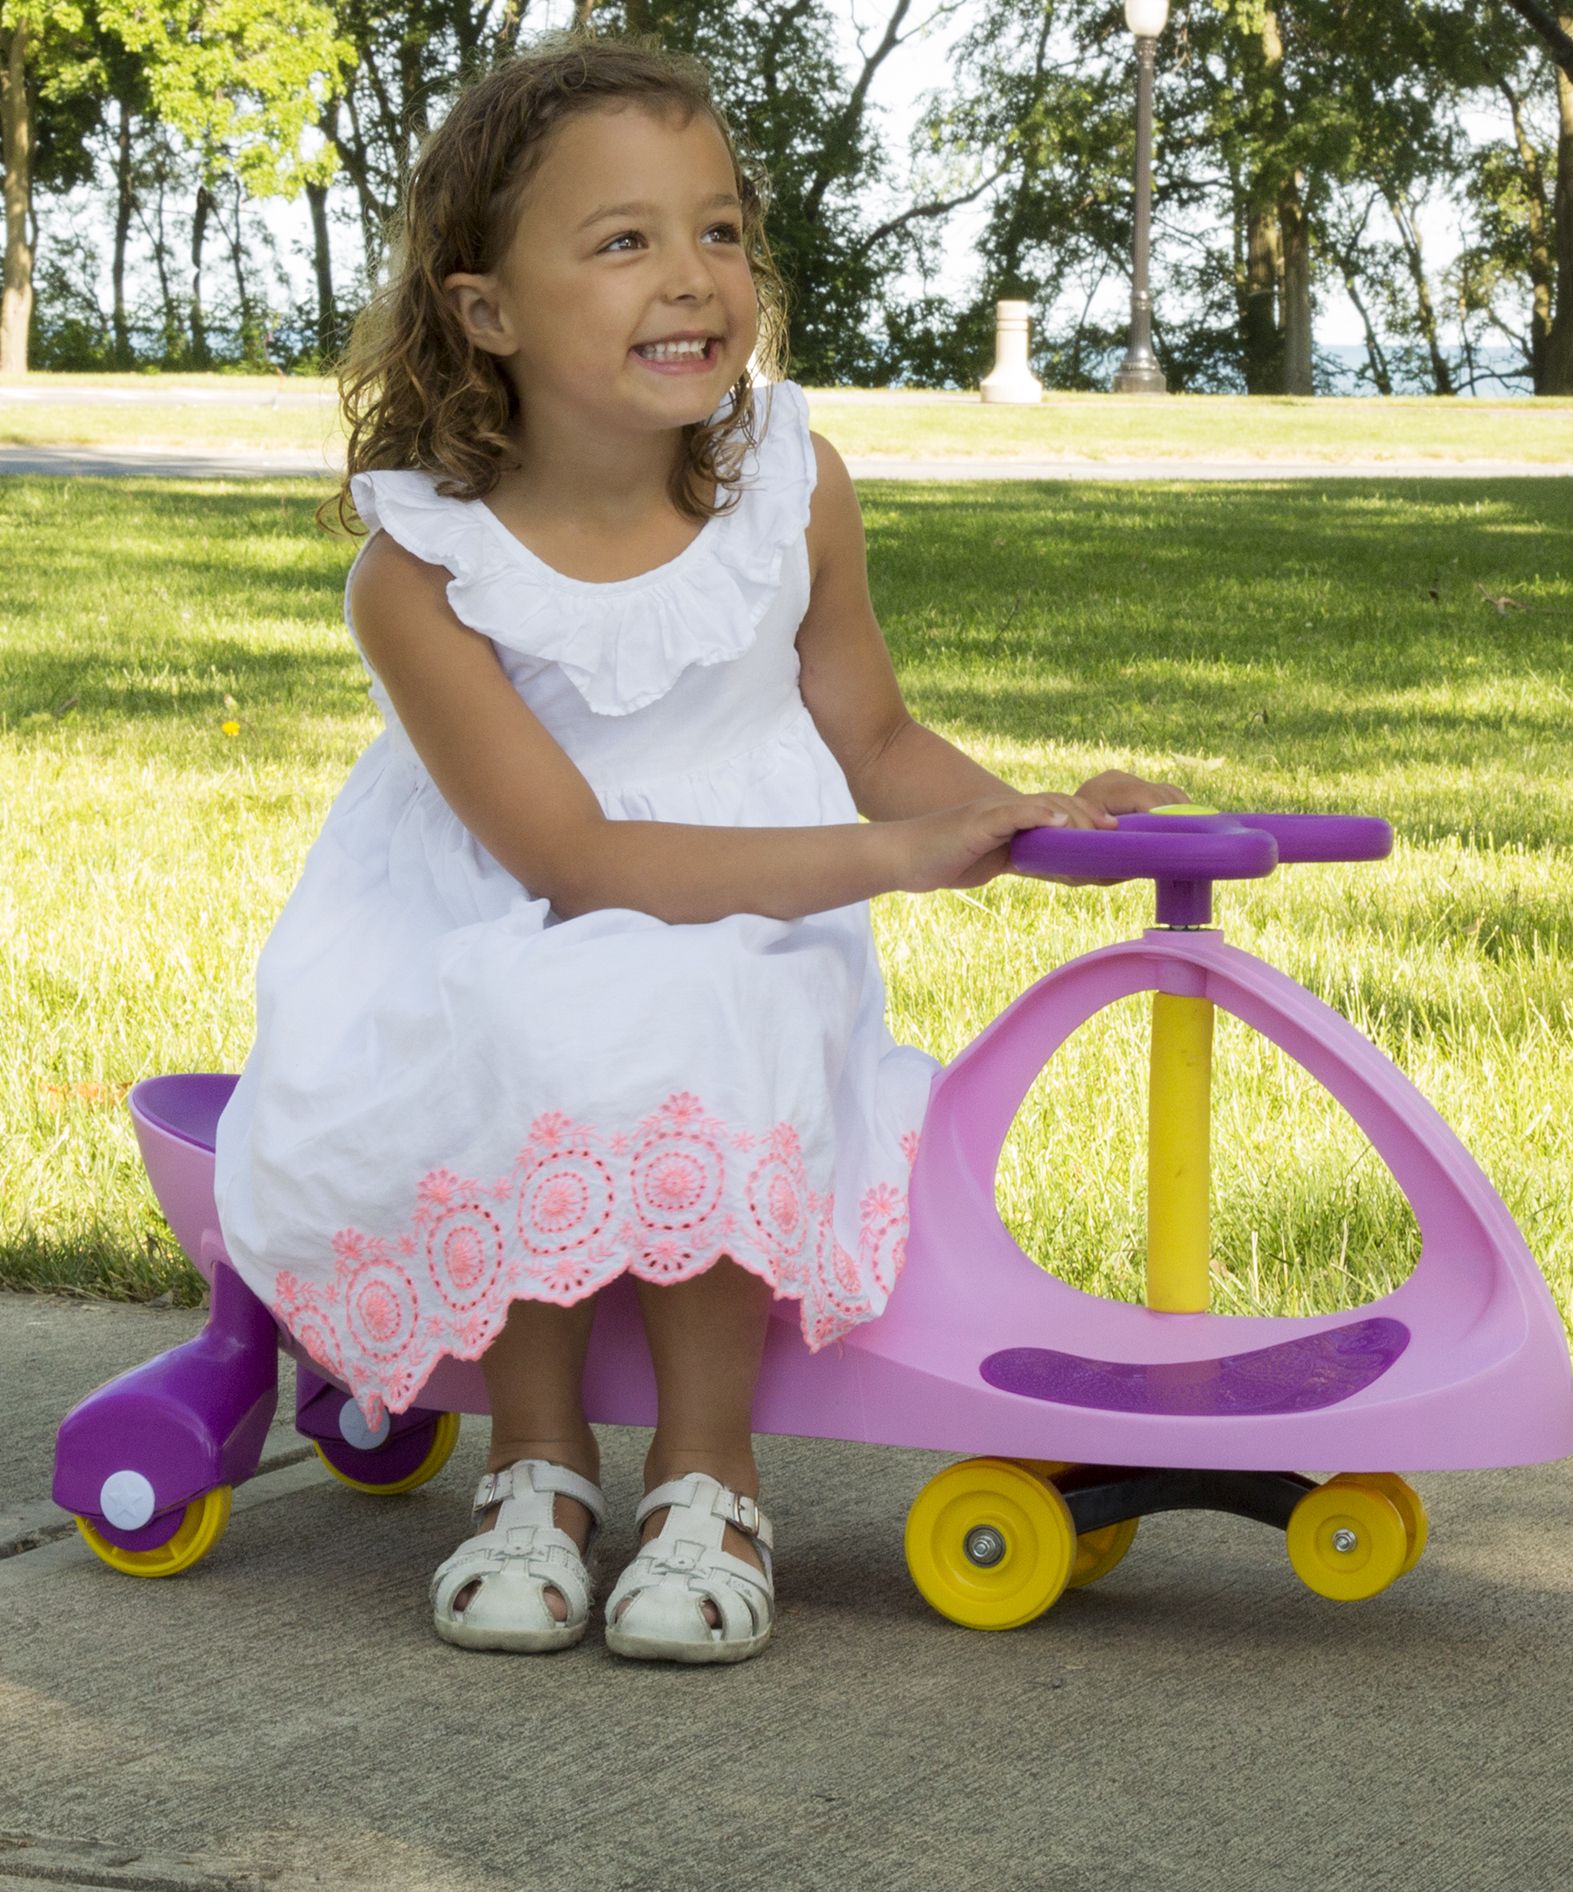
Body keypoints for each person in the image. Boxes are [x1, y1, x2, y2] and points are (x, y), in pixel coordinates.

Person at [210, 33, 1187, 1668]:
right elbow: (574, 860)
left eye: (720, 230)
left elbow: (874, 740)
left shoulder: (791, 492)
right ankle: (534, 1470)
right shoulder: (425, 574)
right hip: (487, 906)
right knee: (547, 1007)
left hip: (753, 904)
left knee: (716, 1000)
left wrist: (1017, 813)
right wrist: (892, 855)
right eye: (623, 241)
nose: (693, 277)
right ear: (487, 312)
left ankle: (710, 1477)